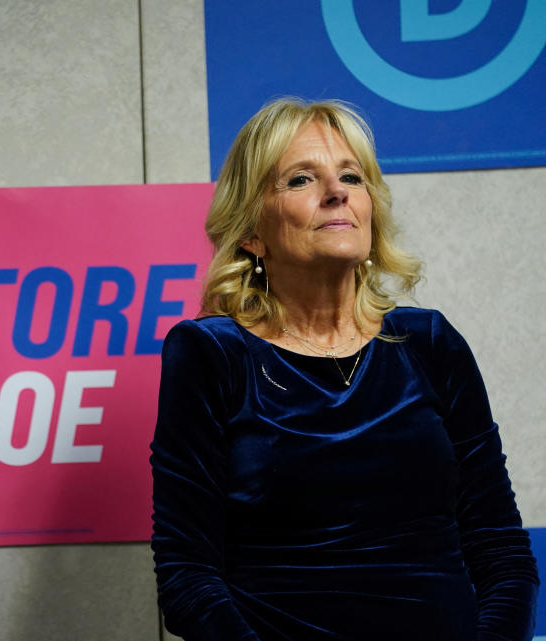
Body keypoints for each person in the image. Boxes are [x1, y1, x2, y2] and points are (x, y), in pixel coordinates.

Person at [150, 97, 539, 641]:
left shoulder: (431, 344)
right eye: (301, 179)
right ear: (251, 232)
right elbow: (188, 578)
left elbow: (501, 551)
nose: (337, 192)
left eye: (351, 176)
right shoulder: (211, 354)